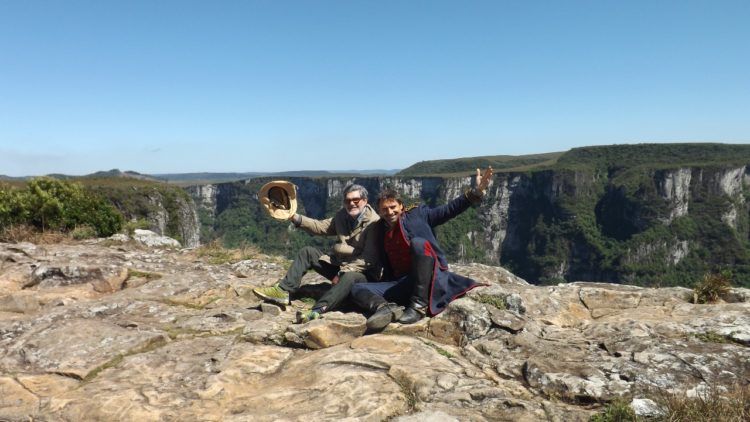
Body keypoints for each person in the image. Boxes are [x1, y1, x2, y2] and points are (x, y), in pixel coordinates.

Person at [351, 167, 494, 331]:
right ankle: (385, 308)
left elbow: (448, 210)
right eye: (384, 209)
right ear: (379, 211)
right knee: (357, 288)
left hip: (427, 278)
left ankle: (418, 306)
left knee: (418, 243)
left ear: (401, 206)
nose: (389, 212)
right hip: (401, 282)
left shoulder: (418, 215)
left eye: (393, 207)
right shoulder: (379, 230)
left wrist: (475, 193)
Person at [254, 183, 382, 323]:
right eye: (347, 200)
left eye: (355, 200)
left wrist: (342, 273)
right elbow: (320, 227)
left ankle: (317, 310)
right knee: (308, 252)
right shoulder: (342, 216)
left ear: (365, 200)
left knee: (350, 277)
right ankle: (284, 290)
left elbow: (368, 259)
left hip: (363, 274)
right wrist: (293, 217)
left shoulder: (374, 223)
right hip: (342, 267)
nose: (351, 203)